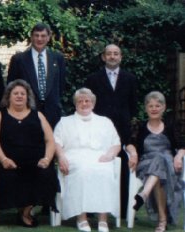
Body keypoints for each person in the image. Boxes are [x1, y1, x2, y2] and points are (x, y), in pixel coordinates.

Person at [0, 79, 59, 227]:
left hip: (37, 161)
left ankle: (25, 212)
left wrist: (46, 158)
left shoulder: (38, 115)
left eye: (22, 94)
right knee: (10, 178)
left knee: (45, 175)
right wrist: (3, 159)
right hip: (9, 163)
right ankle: (23, 212)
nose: (19, 96)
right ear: (8, 97)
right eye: (15, 93)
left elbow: (50, 140)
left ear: (27, 97)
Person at [53, 88, 120, 232]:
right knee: (82, 171)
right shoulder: (65, 122)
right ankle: (81, 218)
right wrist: (61, 156)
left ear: (93, 103)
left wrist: (110, 155)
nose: (84, 103)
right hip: (74, 157)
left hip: (100, 157)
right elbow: (56, 142)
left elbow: (116, 143)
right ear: (75, 104)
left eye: (87, 100)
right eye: (80, 101)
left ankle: (103, 220)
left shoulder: (105, 121)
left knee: (105, 172)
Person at [85, 44, 137, 219]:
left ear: (121, 57)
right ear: (103, 57)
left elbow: (133, 107)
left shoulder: (130, 79)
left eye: (116, 54)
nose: (112, 56)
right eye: (109, 54)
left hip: (122, 130)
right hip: (98, 130)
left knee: (121, 169)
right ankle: (93, 207)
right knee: (97, 166)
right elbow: (88, 106)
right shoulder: (93, 79)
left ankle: (121, 209)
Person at [126, 91, 184, 232]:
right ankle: (162, 222)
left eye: (157, 105)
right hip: (146, 163)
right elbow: (129, 143)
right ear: (146, 108)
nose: (154, 109)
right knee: (159, 162)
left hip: (169, 164)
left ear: (163, 108)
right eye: (150, 106)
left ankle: (144, 195)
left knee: (161, 164)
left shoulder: (171, 126)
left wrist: (178, 156)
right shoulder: (139, 126)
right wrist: (133, 153)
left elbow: (183, 145)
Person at [7, 22, 66, 129]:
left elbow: (61, 85)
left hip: (52, 114)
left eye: (43, 36)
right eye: (36, 35)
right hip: (27, 112)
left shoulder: (58, 58)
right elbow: (11, 87)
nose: (40, 39)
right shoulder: (19, 59)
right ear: (31, 37)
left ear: (48, 38)